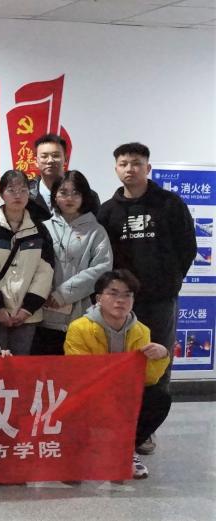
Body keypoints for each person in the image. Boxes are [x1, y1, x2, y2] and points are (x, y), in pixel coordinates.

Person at [97, 142, 195, 456]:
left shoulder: (169, 204)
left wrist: (170, 282)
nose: (130, 169)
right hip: (118, 304)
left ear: (148, 168)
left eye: (136, 163)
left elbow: (187, 248)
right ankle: (118, 425)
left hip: (159, 300)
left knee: (157, 361)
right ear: (116, 169)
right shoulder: (107, 211)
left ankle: (145, 430)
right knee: (118, 364)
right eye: (124, 163)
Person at [64, 270, 172, 479]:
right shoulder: (79, 328)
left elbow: (148, 378)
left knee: (159, 397)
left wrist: (162, 356)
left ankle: (126, 450)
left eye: (127, 295)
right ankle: (80, 453)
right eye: (113, 293)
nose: (120, 300)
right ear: (99, 298)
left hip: (125, 394)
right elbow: (78, 371)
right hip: (91, 393)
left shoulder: (141, 331)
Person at [0, 170, 55, 355]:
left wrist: (27, 309)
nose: (18, 195)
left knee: (20, 367)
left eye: (23, 190)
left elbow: (45, 271)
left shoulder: (39, 229)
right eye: (11, 190)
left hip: (27, 316)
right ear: (1, 194)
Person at [37, 170, 113, 356]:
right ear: (55, 196)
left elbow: (102, 268)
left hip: (81, 317)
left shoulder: (96, 231)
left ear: (84, 196)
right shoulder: (43, 228)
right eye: (63, 192)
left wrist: (64, 293)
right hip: (43, 317)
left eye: (75, 193)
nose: (69, 198)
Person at [30, 133, 100, 221]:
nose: (50, 160)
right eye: (44, 156)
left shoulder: (88, 196)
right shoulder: (26, 195)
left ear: (65, 159)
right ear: (36, 161)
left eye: (55, 155)